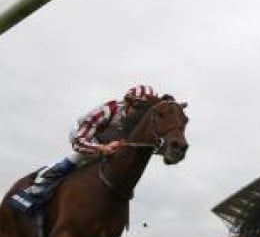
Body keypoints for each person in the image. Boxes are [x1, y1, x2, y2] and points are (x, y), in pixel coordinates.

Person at [9, 84, 160, 215]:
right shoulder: (108, 110)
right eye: (139, 107)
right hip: (82, 134)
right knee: (82, 157)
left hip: (106, 136)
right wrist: (102, 148)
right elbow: (79, 142)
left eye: (146, 109)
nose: (142, 113)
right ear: (127, 102)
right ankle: (40, 184)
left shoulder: (139, 120)